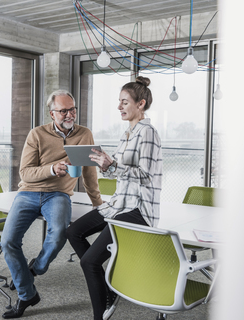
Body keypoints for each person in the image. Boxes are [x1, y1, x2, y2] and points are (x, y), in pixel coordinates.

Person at [0, 89, 103, 319]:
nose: (70, 114)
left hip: (58, 194)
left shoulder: (85, 134)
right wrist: (51, 169)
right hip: (28, 193)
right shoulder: (37, 134)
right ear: (52, 113)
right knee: (8, 242)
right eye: (64, 110)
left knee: (58, 235)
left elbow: (89, 173)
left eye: (72, 109)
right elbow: (25, 173)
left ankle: (36, 268)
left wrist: (98, 204)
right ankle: (27, 294)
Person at [66, 76, 163, 320]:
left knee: (89, 262)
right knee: (73, 232)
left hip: (138, 209)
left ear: (140, 104)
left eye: (124, 102)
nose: (119, 107)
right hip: (119, 203)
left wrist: (113, 165)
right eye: (119, 102)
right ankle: (106, 286)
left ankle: (102, 310)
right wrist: (105, 163)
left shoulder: (148, 133)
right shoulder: (126, 134)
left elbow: (146, 176)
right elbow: (121, 170)